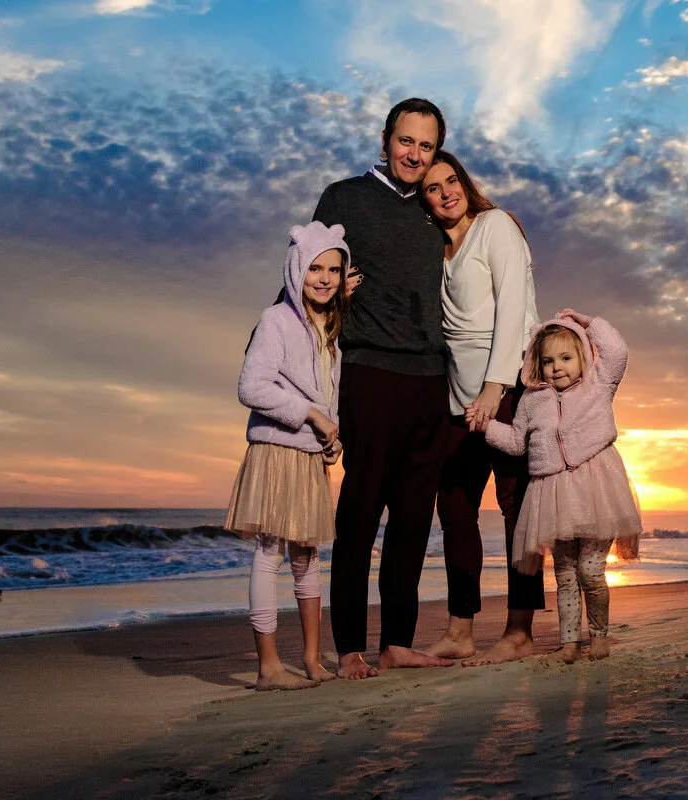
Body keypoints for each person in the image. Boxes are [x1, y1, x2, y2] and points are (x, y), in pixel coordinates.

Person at [313, 98, 455, 679]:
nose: (414, 155)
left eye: (426, 145)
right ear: (384, 138)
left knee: (414, 521)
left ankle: (397, 642)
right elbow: (305, 271)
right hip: (370, 373)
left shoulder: (437, 208)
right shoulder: (343, 197)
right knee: (360, 514)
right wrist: (269, 339)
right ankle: (349, 648)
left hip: (432, 380)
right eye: (406, 142)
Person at [416, 151, 544, 665]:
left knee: (518, 509)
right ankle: (460, 629)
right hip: (456, 400)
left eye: (452, 180)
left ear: (464, 183)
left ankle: (519, 630)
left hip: (508, 390)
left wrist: (495, 388)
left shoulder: (495, 226)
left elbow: (514, 308)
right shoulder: (435, 249)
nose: (446, 191)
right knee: (454, 508)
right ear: (423, 200)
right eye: (432, 187)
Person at [224, 221, 350, 690]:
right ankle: (269, 666)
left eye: (333, 269)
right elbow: (250, 386)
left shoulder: (330, 333)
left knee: (308, 558)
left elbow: (328, 401)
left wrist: (330, 437)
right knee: (268, 553)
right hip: (276, 450)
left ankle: (314, 660)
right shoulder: (275, 319)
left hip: (307, 456)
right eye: (315, 267)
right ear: (296, 268)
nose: (324, 278)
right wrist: (312, 416)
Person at [477, 310, 641, 662]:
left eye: (566, 357)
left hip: (597, 491)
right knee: (564, 574)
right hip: (552, 495)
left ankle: (599, 634)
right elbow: (517, 442)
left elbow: (617, 351)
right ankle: (570, 643)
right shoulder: (533, 400)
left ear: (582, 355)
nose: (557, 367)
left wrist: (587, 322)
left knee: (590, 570)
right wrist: (486, 427)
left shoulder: (599, 384)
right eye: (548, 360)